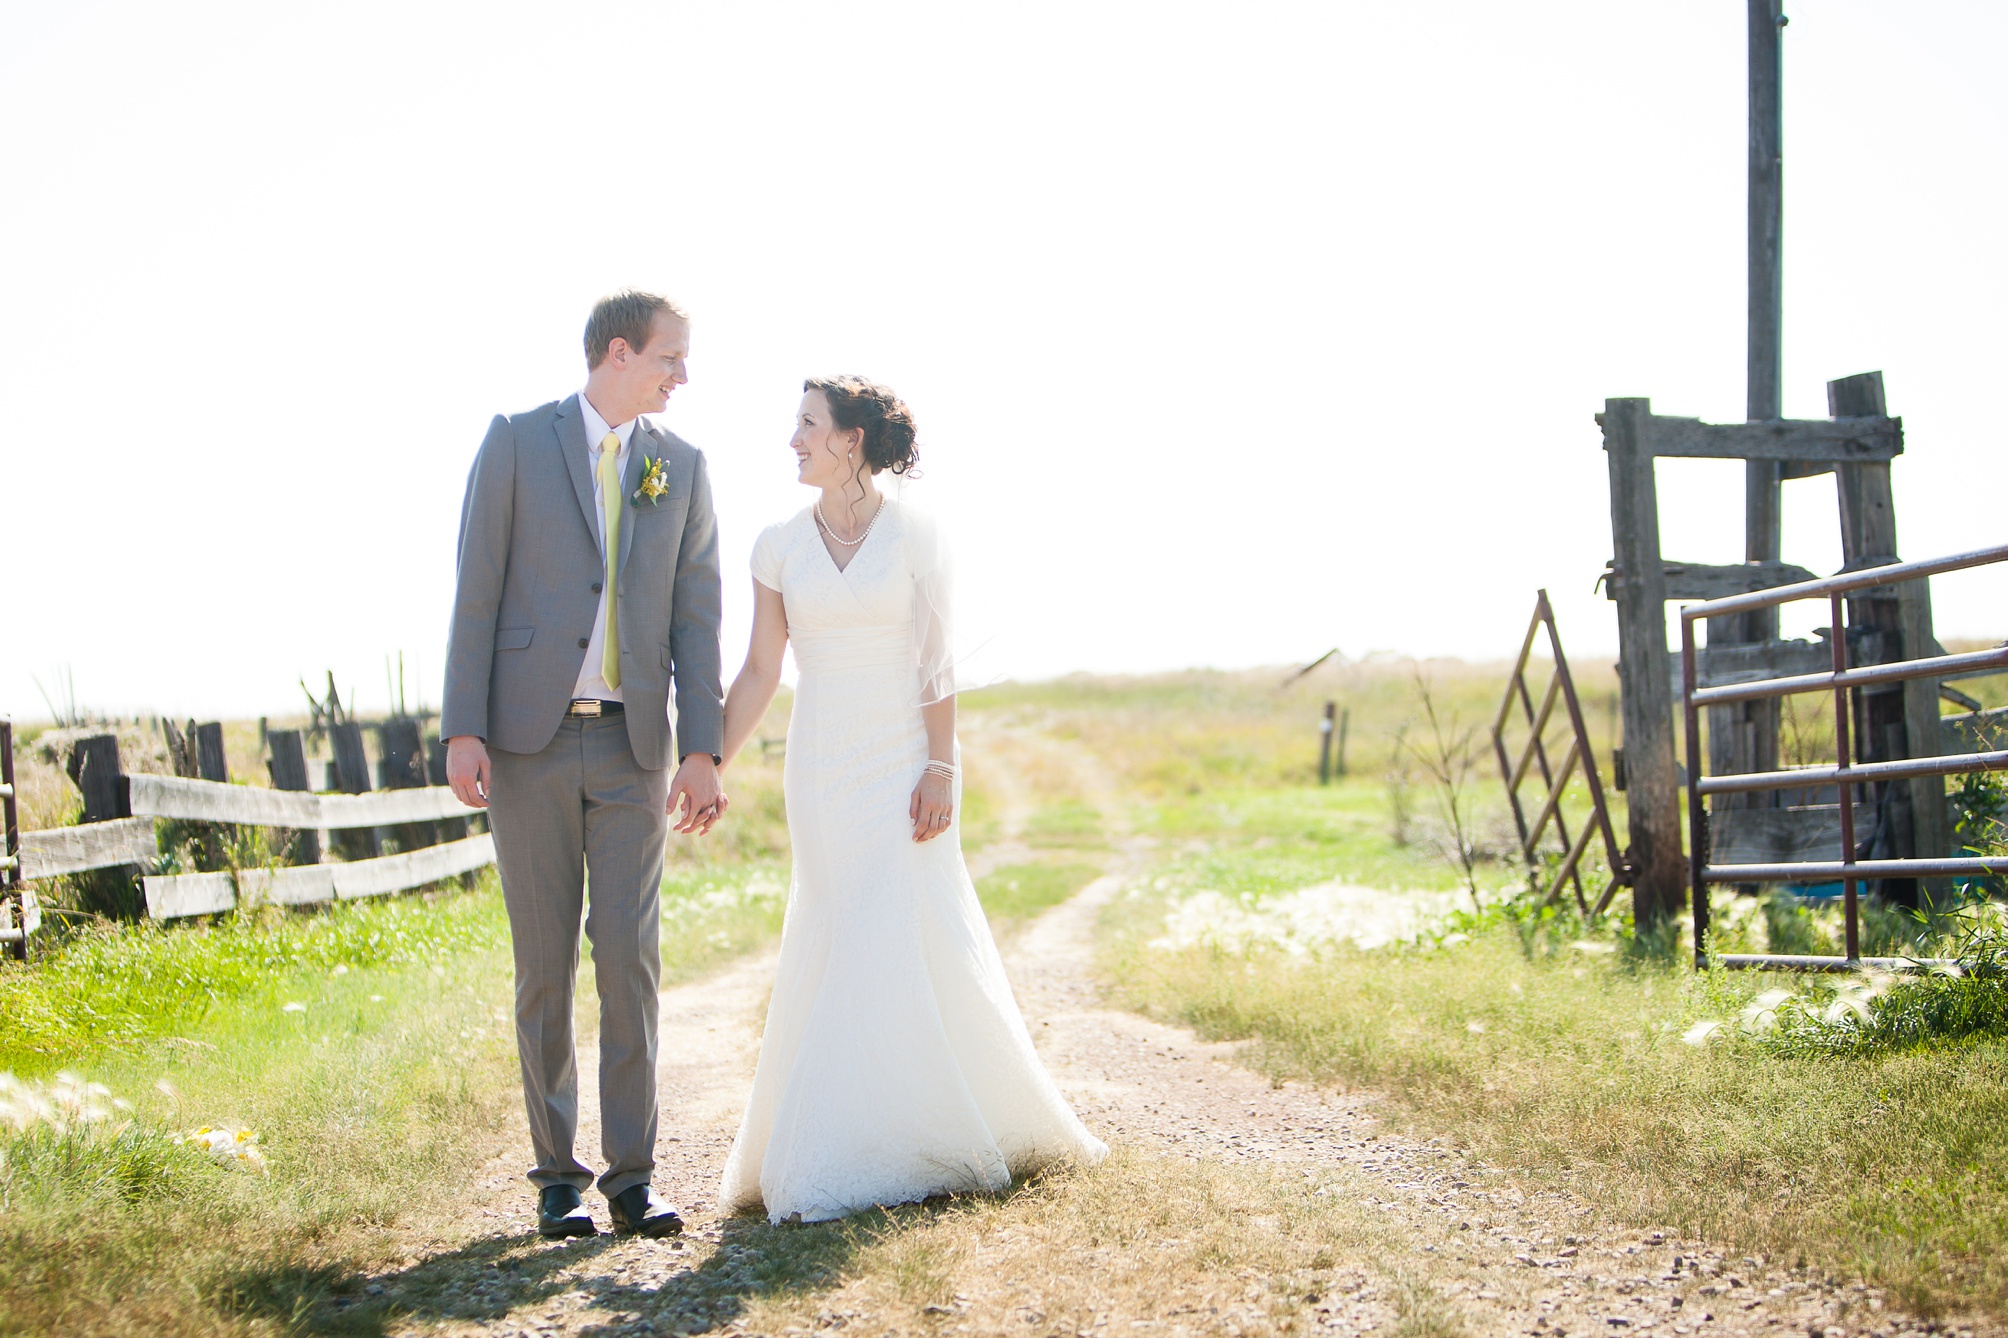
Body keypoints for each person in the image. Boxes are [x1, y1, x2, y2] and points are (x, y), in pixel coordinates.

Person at [715, 375, 1106, 1224]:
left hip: (902, 759)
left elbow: (936, 664)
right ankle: (837, 1138)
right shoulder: (777, 545)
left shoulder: (918, 535)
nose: (793, 440)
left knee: (903, 920)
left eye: (808, 425)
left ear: (850, 439)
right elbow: (756, 672)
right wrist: (707, 758)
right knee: (839, 923)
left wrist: (942, 766)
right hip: (821, 766)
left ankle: (936, 1122)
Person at [440, 290, 727, 1240]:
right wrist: (462, 727)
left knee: (630, 964)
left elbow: (698, 615)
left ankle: (634, 1176)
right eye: (670, 359)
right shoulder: (516, 443)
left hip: (632, 748)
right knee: (543, 966)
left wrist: (702, 747)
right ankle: (557, 1177)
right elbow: (475, 590)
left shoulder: (679, 467)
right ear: (618, 352)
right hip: (523, 743)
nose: (682, 376)